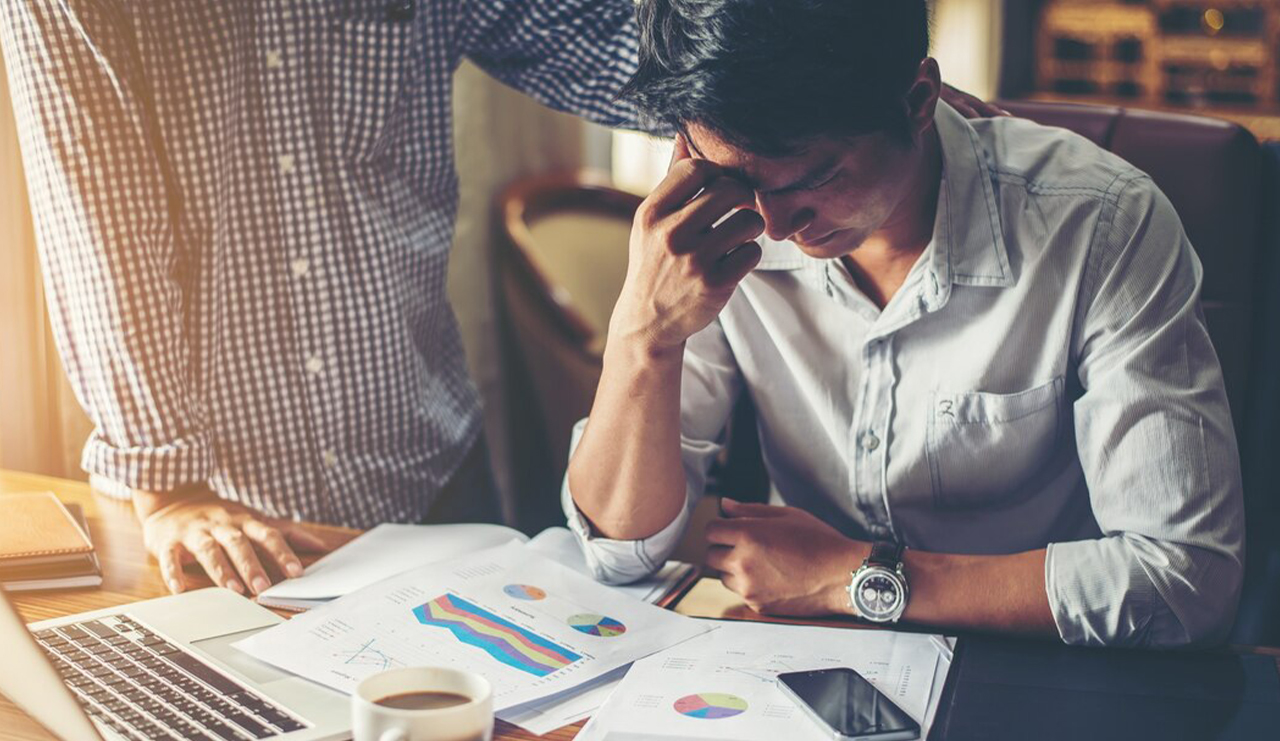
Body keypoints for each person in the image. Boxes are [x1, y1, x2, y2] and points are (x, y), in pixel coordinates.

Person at [0, 0, 999, 597]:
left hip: (433, 451)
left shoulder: (1073, 214)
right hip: (220, 503)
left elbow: (586, 39)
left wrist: (827, 99)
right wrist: (167, 478)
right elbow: (99, 206)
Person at [565, 0, 1245, 647]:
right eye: (735, 176)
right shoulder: (716, 230)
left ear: (918, 102)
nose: (772, 225)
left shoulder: (1101, 222)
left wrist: (854, 576)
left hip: (1042, 669)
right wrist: (641, 336)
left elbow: (1184, 583)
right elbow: (622, 553)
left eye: (817, 175)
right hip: (795, 664)